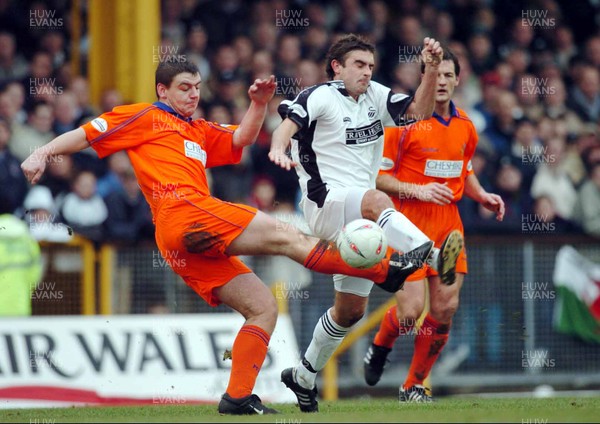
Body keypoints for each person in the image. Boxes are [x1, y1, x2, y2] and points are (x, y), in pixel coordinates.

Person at [21, 58, 418, 416]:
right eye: (184, 88)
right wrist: (41, 153)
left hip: (180, 240)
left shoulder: (197, 129)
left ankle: (237, 397)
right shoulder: (144, 116)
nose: (193, 94)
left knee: (262, 307)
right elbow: (87, 133)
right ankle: (386, 270)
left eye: (197, 87)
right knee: (286, 236)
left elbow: (239, 141)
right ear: (162, 90)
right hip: (186, 212)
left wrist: (259, 104)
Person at [269, 34, 464, 412]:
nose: (366, 72)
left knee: (350, 311)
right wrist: (278, 148)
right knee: (377, 198)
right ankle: (434, 257)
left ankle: (304, 375)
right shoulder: (318, 97)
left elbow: (417, 115)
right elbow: (286, 127)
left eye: (370, 66)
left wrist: (427, 71)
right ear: (337, 67)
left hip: (360, 219)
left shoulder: (376, 95)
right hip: (324, 205)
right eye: (359, 65)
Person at [362, 50, 505, 402]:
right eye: (434, 74)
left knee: (444, 309)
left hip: (448, 226)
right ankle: (381, 345)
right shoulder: (403, 124)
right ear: (424, 78)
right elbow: (378, 178)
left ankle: (413, 385)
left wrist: (482, 194)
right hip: (406, 224)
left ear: (457, 80)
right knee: (410, 311)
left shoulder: (466, 127)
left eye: (447, 75)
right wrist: (417, 188)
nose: (440, 81)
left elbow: (463, 169)